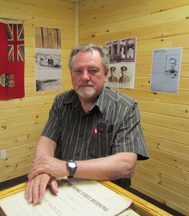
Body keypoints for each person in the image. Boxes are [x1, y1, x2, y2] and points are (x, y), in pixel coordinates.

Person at [25, 43, 149, 204]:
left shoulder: (126, 108)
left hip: (108, 194)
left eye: (93, 70)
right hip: (65, 190)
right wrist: (43, 169)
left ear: (105, 74)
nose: (85, 77)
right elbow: (47, 140)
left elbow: (126, 165)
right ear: (71, 75)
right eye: (78, 71)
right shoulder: (61, 102)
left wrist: (67, 168)